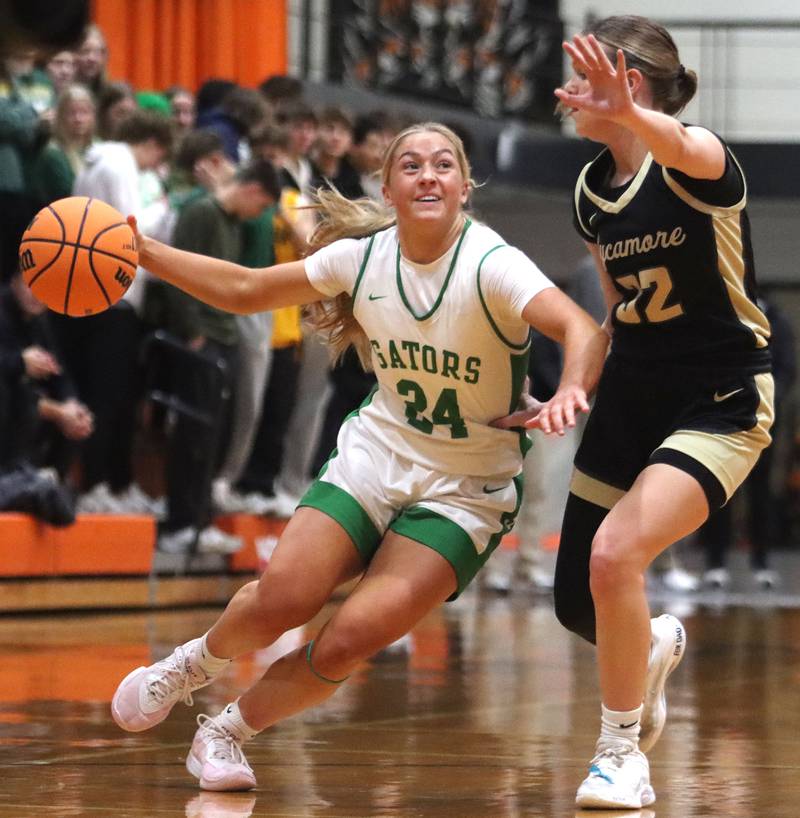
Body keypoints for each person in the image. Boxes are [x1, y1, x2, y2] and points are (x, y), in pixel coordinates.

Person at [110, 121, 606, 792]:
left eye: (442, 164)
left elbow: (580, 326)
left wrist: (570, 390)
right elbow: (245, 289)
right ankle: (190, 664)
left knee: (348, 640)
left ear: (464, 187)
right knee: (284, 598)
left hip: (465, 488)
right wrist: (143, 251)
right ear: (389, 187)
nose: (428, 174)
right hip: (377, 454)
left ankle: (226, 731)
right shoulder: (365, 259)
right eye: (411, 164)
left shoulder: (492, 263)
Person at [545, 16, 774, 809]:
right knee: (576, 598)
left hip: (718, 395)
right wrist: (577, 383)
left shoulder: (701, 160)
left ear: (628, 84)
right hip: (634, 393)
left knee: (615, 559)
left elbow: (681, 147)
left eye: (585, 81)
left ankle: (619, 755)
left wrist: (638, 116)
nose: (567, 94)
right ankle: (653, 647)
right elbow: (615, 316)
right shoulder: (589, 192)